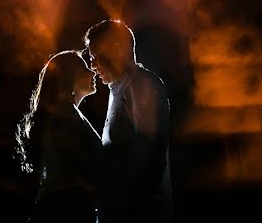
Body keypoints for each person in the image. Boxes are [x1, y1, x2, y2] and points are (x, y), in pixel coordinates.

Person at [84, 19, 172, 223]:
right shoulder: (119, 89)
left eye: (96, 55)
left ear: (117, 48)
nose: (92, 65)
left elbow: (152, 154)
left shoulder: (141, 85)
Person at [17, 50, 103, 223]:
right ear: (70, 77)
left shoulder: (62, 115)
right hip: (66, 210)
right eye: (84, 68)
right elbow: (93, 163)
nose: (92, 72)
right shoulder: (66, 118)